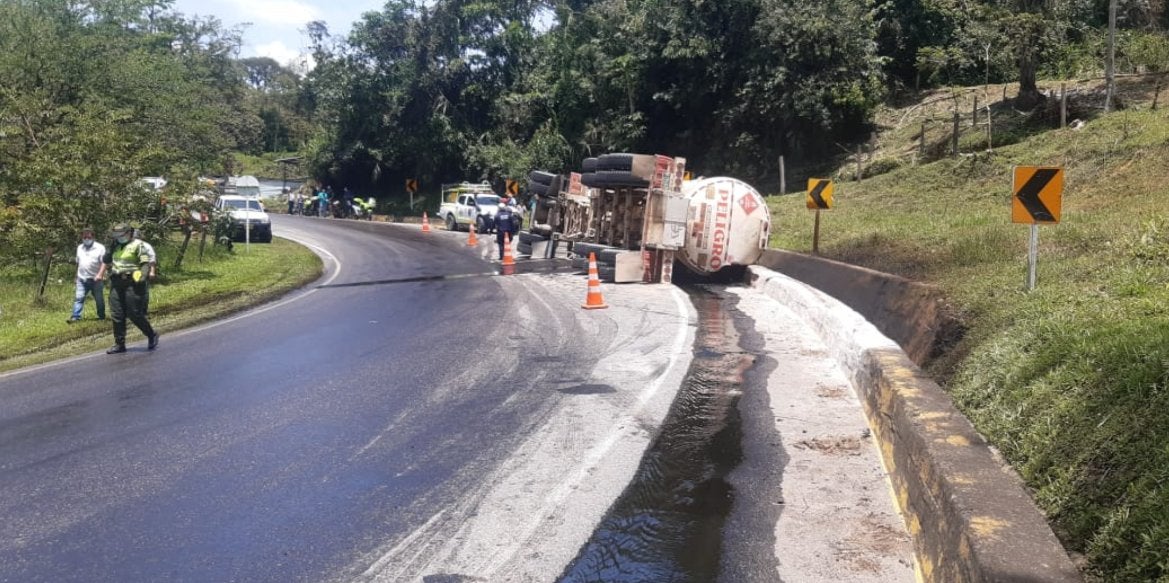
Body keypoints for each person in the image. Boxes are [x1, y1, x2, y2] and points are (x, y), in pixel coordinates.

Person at [97, 223, 158, 354]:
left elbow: (145, 263)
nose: (119, 237)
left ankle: (151, 334)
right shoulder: (116, 246)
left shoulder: (138, 245)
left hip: (133, 281)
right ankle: (120, 344)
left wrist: (143, 276)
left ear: (129, 233)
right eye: (116, 235)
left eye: (121, 235)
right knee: (117, 313)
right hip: (117, 281)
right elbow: (106, 260)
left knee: (134, 313)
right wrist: (110, 248)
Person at [68, 226, 106, 323]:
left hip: (95, 279)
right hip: (82, 278)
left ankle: (101, 316)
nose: (86, 239)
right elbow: (78, 263)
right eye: (84, 237)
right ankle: (75, 317)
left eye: (89, 237)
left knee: (99, 299)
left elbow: (104, 263)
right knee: (79, 297)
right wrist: (76, 276)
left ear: (93, 237)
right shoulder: (80, 248)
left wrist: (100, 275)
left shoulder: (100, 248)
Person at [133, 228, 158, 316]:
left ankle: (142, 310)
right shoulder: (128, 246)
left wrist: (152, 271)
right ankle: (135, 310)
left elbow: (152, 259)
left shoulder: (146, 246)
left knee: (143, 291)